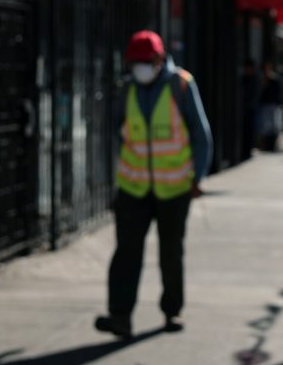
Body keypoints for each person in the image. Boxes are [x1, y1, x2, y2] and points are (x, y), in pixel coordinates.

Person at [95, 30, 212, 338]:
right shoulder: (127, 89)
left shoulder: (181, 86)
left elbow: (201, 137)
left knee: (170, 253)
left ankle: (172, 311)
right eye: (134, 63)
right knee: (126, 254)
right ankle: (120, 316)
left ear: (160, 60)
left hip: (174, 188)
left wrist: (197, 178)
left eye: (144, 63)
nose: (139, 69)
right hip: (133, 188)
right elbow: (114, 135)